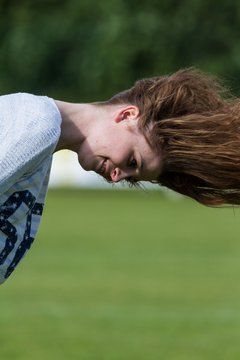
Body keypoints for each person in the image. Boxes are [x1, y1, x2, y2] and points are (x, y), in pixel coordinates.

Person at [0, 67, 238, 284]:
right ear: (127, 115)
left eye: (130, 177)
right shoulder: (39, 124)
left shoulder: (41, 147)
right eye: (132, 161)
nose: (116, 177)